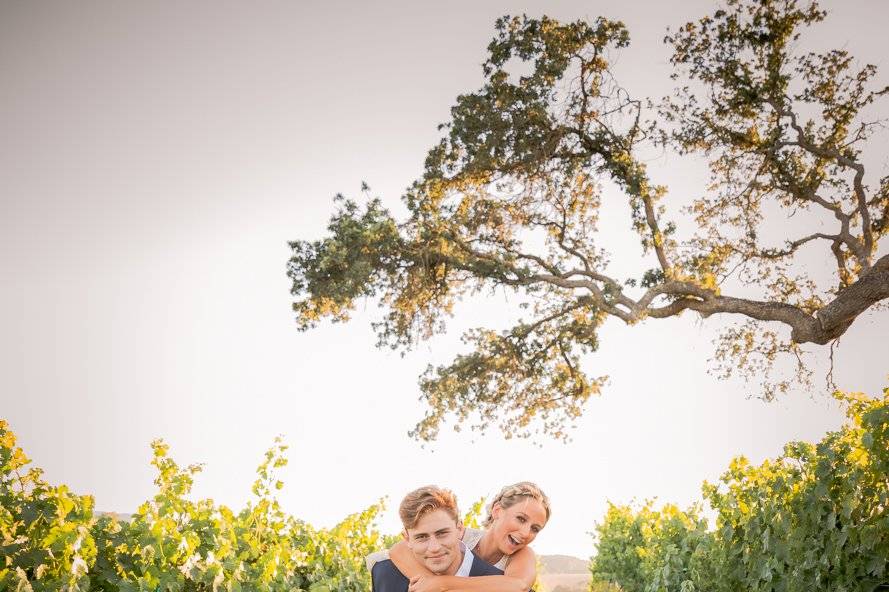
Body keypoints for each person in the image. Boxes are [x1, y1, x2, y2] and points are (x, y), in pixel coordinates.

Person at [368, 482, 550, 592]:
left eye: (535, 528)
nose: (526, 533)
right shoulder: (463, 535)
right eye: (520, 519)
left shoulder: (522, 555)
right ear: (497, 511)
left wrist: (440, 584)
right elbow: (399, 549)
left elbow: (518, 586)